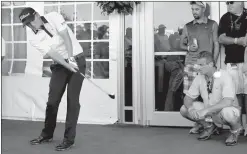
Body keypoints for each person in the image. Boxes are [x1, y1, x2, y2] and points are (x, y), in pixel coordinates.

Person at [19, 7, 86, 151]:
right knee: (52, 101)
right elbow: (52, 53)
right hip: (59, 64)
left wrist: (71, 58)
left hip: (77, 59)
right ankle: (47, 134)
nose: (31, 25)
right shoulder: (32, 36)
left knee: (72, 101)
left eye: (31, 21)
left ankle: (69, 140)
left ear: (37, 15)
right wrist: (66, 64)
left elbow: (66, 36)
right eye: (27, 24)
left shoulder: (54, 16)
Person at [180, 51, 242, 146]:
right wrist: (191, 109)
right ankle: (209, 126)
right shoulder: (199, 77)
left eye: (201, 65)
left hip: (226, 110)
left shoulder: (225, 76)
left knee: (228, 113)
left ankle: (235, 131)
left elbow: (227, 101)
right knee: (184, 109)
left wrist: (205, 111)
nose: (198, 67)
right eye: (197, 64)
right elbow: (187, 98)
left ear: (211, 64)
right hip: (210, 112)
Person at [180, 1, 219, 133]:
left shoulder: (212, 24)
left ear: (203, 9)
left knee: (208, 96)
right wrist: (188, 47)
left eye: (197, 9)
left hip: (206, 65)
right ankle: (200, 123)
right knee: (191, 97)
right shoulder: (188, 26)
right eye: (192, 9)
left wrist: (213, 63)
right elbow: (181, 45)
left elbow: (216, 44)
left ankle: (213, 124)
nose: (194, 11)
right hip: (191, 64)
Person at [218, 1, 247, 135]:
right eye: (226, 2)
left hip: (246, 62)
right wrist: (237, 41)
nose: (228, 5)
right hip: (232, 63)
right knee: (235, 96)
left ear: (241, 2)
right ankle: (238, 127)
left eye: (231, 2)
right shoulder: (225, 17)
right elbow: (221, 39)